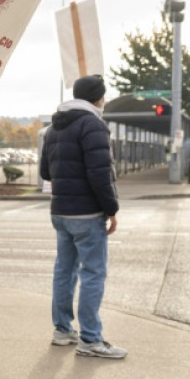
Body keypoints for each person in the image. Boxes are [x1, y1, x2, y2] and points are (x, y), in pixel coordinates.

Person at [40, 74, 125, 359]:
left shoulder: (54, 127)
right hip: (87, 213)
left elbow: (45, 173)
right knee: (93, 274)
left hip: (60, 212)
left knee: (64, 271)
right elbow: (100, 173)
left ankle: (62, 330)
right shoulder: (93, 124)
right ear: (98, 98)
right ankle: (90, 339)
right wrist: (111, 209)